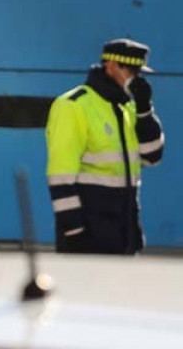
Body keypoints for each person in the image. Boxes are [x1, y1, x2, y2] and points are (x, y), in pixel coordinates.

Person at [45, 38, 165, 254]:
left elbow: (152, 156)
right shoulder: (74, 105)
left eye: (139, 71)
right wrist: (74, 232)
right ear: (110, 66)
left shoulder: (128, 106)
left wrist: (145, 110)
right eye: (130, 70)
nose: (135, 76)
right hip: (89, 231)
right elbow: (60, 177)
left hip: (125, 230)